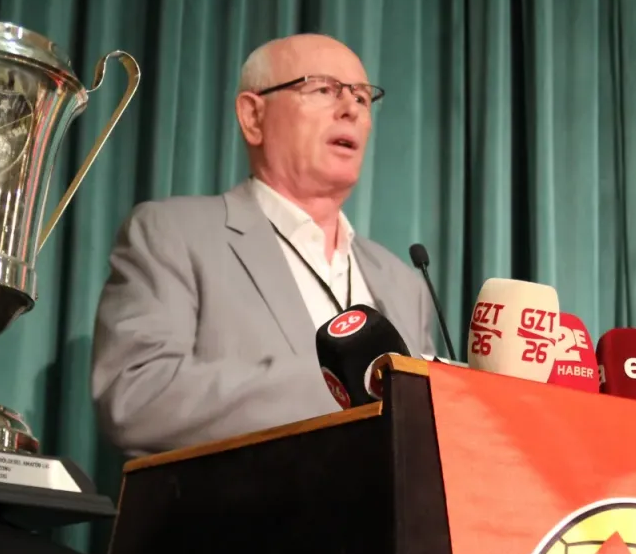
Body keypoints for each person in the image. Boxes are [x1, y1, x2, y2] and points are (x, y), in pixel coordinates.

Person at [91, 33, 438, 458]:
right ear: (253, 116)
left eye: (363, 98)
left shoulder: (405, 284)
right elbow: (135, 396)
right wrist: (341, 388)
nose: (350, 109)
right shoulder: (172, 234)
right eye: (323, 89)